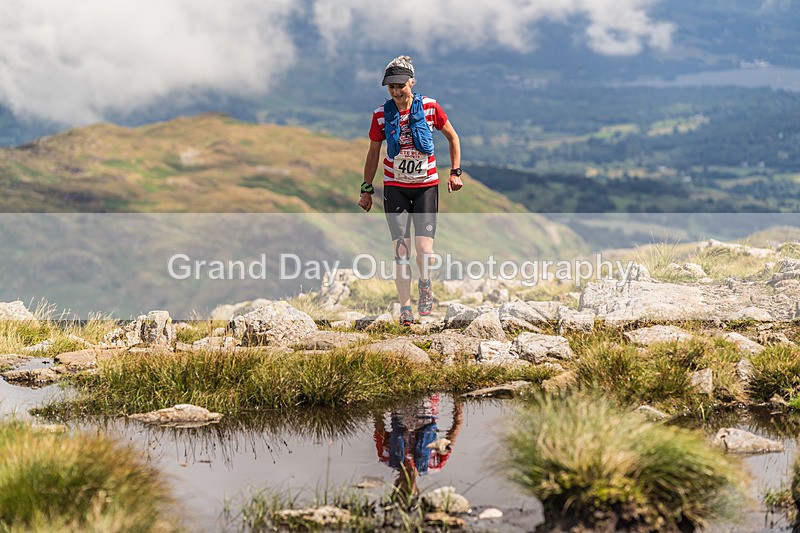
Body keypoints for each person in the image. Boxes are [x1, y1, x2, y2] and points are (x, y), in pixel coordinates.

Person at [359, 55, 463, 326]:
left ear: (411, 82)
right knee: (401, 250)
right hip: (395, 188)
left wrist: (454, 172)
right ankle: (405, 308)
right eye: (390, 87)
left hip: (426, 186)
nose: (395, 91)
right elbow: (373, 153)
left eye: (400, 85)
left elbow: (452, 136)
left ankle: (425, 283)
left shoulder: (430, 107)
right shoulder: (380, 115)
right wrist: (366, 189)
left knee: (424, 249)